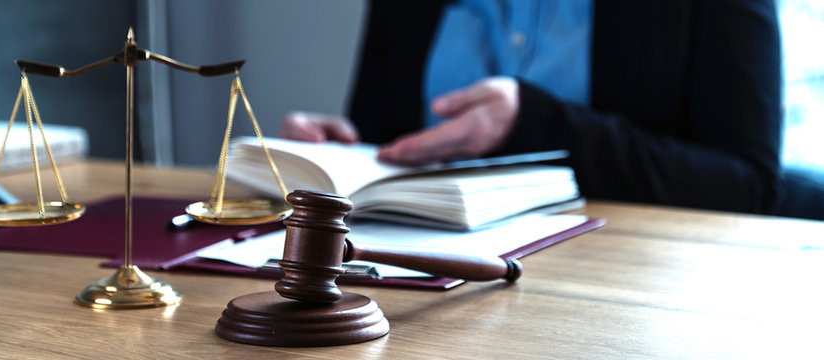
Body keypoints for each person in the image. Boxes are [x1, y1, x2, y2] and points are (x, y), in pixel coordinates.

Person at [281, 0, 824, 219]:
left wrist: (536, 124)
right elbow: (390, 138)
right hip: (425, 287)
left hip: (622, 292)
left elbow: (747, 184)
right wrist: (345, 148)